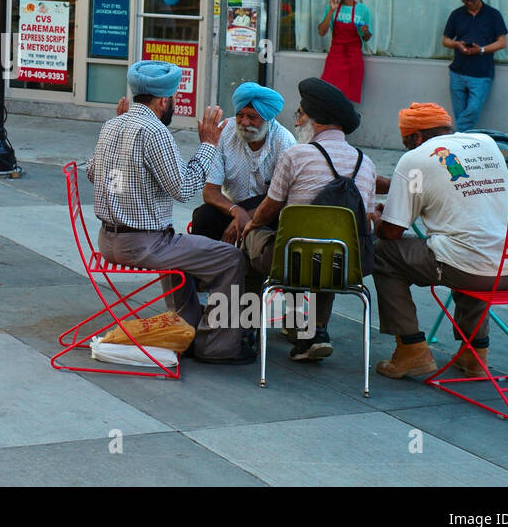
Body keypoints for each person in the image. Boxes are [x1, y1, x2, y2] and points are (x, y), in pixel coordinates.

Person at [88, 60, 252, 364]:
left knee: (181, 243)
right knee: (230, 258)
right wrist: (208, 144)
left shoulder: (112, 124)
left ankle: (186, 325)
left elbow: (92, 173)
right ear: (164, 100)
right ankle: (217, 347)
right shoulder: (155, 131)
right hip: (143, 245)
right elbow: (185, 189)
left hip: (107, 240)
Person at [372, 102, 508, 380]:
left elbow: (392, 232)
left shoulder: (415, 158)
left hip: (473, 267)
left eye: (407, 142)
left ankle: (411, 349)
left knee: (383, 252)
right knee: (466, 245)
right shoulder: (485, 143)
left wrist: (377, 217)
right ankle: (475, 355)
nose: (408, 148)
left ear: (416, 137)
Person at [241, 77, 377, 363]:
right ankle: (314, 331)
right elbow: (365, 220)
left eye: (300, 114)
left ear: (314, 120)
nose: (297, 121)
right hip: (345, 268)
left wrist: (250, 225)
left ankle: (245, 329)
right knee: (331, 251)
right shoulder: (367, 164)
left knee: (254, 243)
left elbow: (269, 209)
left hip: (292, 261)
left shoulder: (296, 155)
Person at [192, 82, 296, 244]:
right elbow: (210, 192)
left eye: (252, 117)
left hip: (269, 211)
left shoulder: (284, 141)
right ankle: (201, 267)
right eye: (240, 115)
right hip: (232, 207)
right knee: (203, 216)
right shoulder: (225, 131)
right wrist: (237, 212)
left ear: (267, 119)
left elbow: (281, 200)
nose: (244, 122)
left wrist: (246, 218)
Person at [442, 0, 508, 132]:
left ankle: (457, 136)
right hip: (457, 71)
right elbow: (445, 40)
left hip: (481, 73)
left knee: (472, 111)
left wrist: (482, 50)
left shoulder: (493, 15)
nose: (469, 3)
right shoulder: (456, 14)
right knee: (459, 113)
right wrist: (456, 44)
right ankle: (462, 143)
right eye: (465, 0)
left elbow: (502, 42)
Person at [316, 0, 371, 103]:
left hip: (353, 58)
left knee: (347, 100)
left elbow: (367, 38)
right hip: (335, 57)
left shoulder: (363, 10)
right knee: (327, 94)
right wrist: (331, 10)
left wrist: (366, 32)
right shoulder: (331, 7)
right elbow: (321, 32)